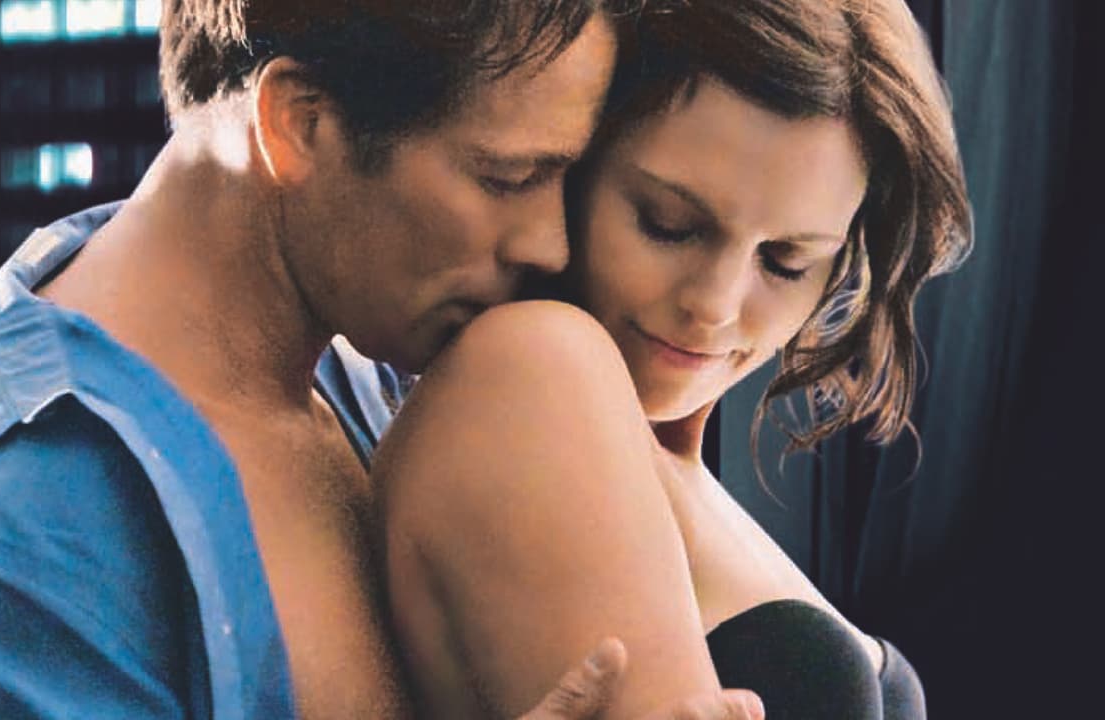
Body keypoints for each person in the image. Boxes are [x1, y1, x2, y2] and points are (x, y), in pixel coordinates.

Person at [0, 1, 765, 718]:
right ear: (299, 123)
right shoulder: (2, 557)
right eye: (508, 178)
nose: (550, 244)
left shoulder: (372, 352)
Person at [373, 0, 972, 718]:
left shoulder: (650, 445)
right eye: (670, 225)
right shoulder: (533, 368)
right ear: (576, 162)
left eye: (786, 261)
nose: (715, 306)